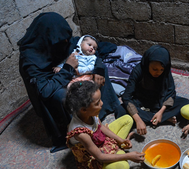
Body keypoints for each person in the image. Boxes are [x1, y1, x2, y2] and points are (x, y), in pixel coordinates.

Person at [18, 12, 119, 152]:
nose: (66, 43)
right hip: (52, 82)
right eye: (62, 41)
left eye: (67, 39)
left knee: (97, 69)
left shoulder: (64, 40)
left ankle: (100, 111)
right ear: (50, 39)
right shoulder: (31, 58)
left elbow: (89, 50)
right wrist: (67, 68)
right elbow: (44, 91)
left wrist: (99, 69)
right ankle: (79, 128)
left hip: (69, 72)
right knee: (65, 95)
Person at [65, 81, 145, 169]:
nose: (102, 103)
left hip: (98, 136)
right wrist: (129, 156)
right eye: (97, 103)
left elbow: (101, 127)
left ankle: (117, 149)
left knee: (128, 119)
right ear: (84, 109)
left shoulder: (89, 113)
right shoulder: (81, 134)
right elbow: (100, 157)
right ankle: (117, 152)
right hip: (93, 152)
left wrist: (120, 140)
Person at [115, 45, 189, 135]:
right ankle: (162, 119)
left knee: (185, 103)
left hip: (159, 100)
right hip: (141, 101)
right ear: (147, 64)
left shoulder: (166, 71)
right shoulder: (138, 70)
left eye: (161, 69)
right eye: (154, 69)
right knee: (120, 110)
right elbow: (126, 97)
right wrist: (138, 120)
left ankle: (156, 117)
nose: (158, 73)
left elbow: (171, 93)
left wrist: (161, 112)